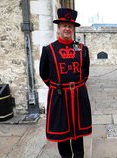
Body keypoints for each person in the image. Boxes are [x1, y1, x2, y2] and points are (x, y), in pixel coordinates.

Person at [39, 8, 91, 158]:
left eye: (70, 26)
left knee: (78, 131)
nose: (67, 29)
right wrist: (58, 88)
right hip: (59, 95)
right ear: (59, 27)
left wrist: (75, 87)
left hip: (78, 94)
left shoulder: (82, 49)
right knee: (62, 131)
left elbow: (85, 72)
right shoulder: (49, 50)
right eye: (64, 26)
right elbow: (44, 74)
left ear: (73, 28)